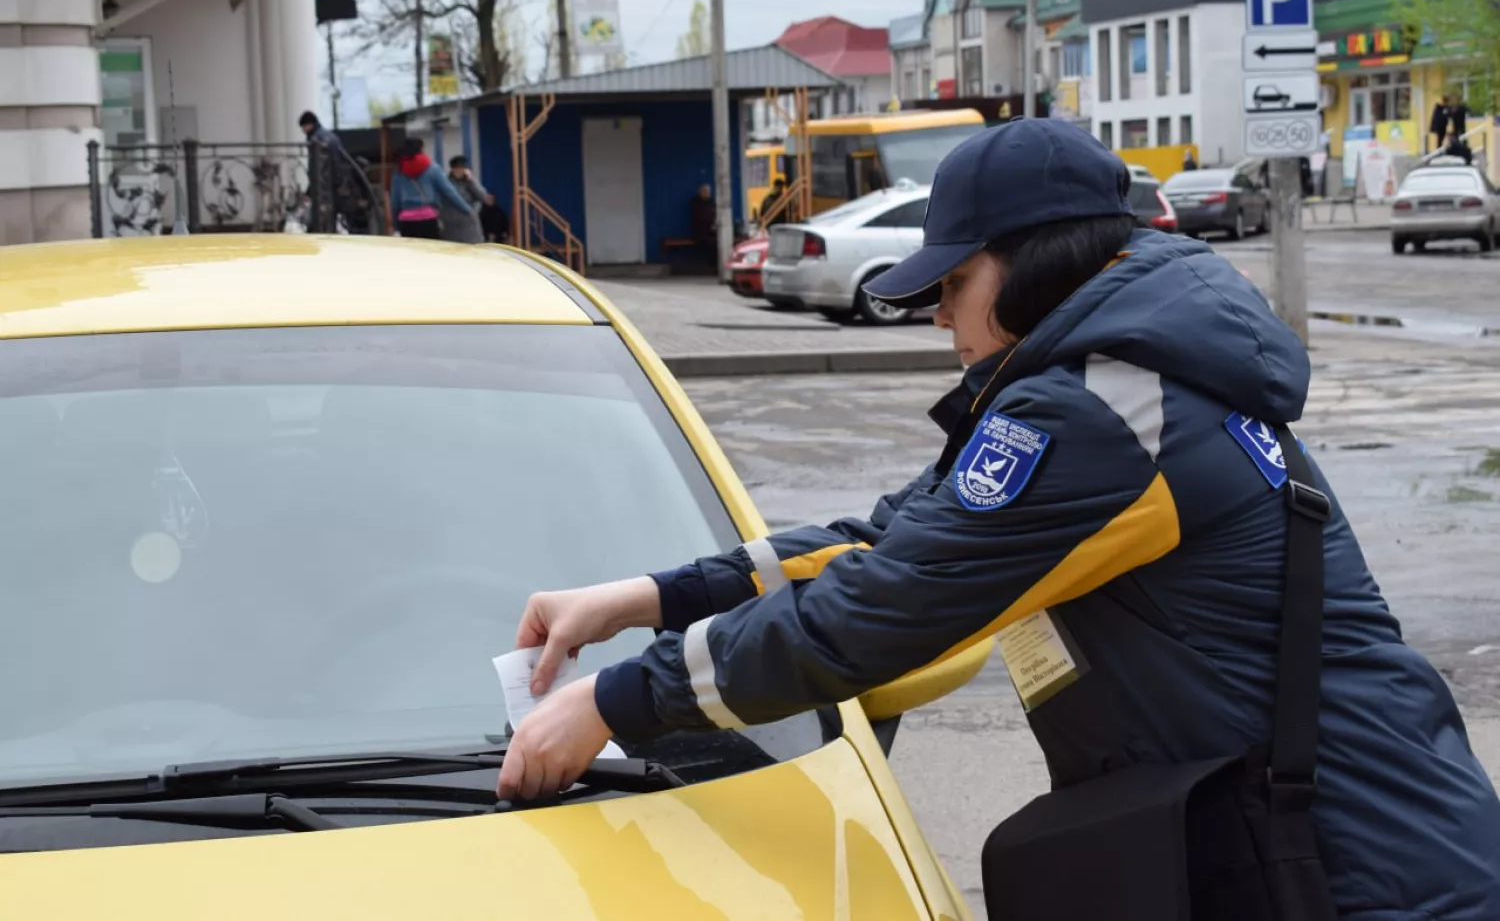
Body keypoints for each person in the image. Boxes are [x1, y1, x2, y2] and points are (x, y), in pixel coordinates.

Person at [496, 118, 1500, 918]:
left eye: (954, 282)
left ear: (1037, 265)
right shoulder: (1120, 386)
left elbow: (887, 604)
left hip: (1360, 868)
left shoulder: (1102, 412)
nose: (937, 312)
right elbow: (893, 541)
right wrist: (653, 596)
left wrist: (616, 704)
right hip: (1316, 843)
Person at [387, 138, 474, 240]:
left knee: (411, 254)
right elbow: (449, 191)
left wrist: (396, 225)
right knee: (430, 253)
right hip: (428, 220)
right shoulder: (432, 168)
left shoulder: (399, 172)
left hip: (406, 222)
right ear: (421, 149)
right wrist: (466, 209)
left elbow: (394, 202)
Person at [440, 155, 485, 244]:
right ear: (452, 169)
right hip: (451, 225)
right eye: (457, 168)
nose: (460, 171)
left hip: (469, 225)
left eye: (462, 168)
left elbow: (482, 196)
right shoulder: (445, 182)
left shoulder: (470, 181)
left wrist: (471, 181)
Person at [690, 183, 716, 258]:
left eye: (708, 192)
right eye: (705, 191)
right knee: (711, 244)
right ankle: (712, 264)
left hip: (711, 232)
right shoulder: (696, 203)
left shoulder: (711, 202)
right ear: (700, 192)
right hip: (701, 232)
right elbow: (700, 217)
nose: (707, 193)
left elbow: (714, 214)